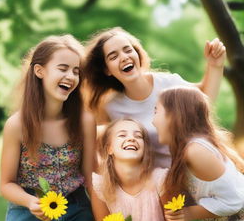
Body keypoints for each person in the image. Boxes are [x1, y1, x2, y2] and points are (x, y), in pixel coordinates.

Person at [0, 35, 95, 221]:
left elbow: (91, 179)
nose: (70, 76)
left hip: (76, 212)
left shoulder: (85, 121)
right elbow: (6, 184)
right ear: (39, 71)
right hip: (28, 213)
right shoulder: (17, 126)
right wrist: (31, 201)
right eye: (63, 68)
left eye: (76, 71)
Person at [83, 27, 226, 168]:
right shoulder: (111, 107)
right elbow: (96, 142)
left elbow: (204, 98)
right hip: (162, 182)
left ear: (137, 54)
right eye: (113, 56)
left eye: (128, 50)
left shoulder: (168, 83)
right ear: (107, 69)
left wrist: (215, 65)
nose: (124, 57)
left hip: (199, 168)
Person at [152, 87, 244, 221]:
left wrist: (189, 213)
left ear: (174, 115)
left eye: (156, 111)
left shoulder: (195, 151)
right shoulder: (187, 150)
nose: (153, 121)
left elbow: (235, 200)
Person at [92, 118, 185, 221]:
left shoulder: (163, 180)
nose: (131, 139)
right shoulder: (99, 187)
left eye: (138, 136)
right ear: (109, 149)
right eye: (122, 135)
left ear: (144, 148)